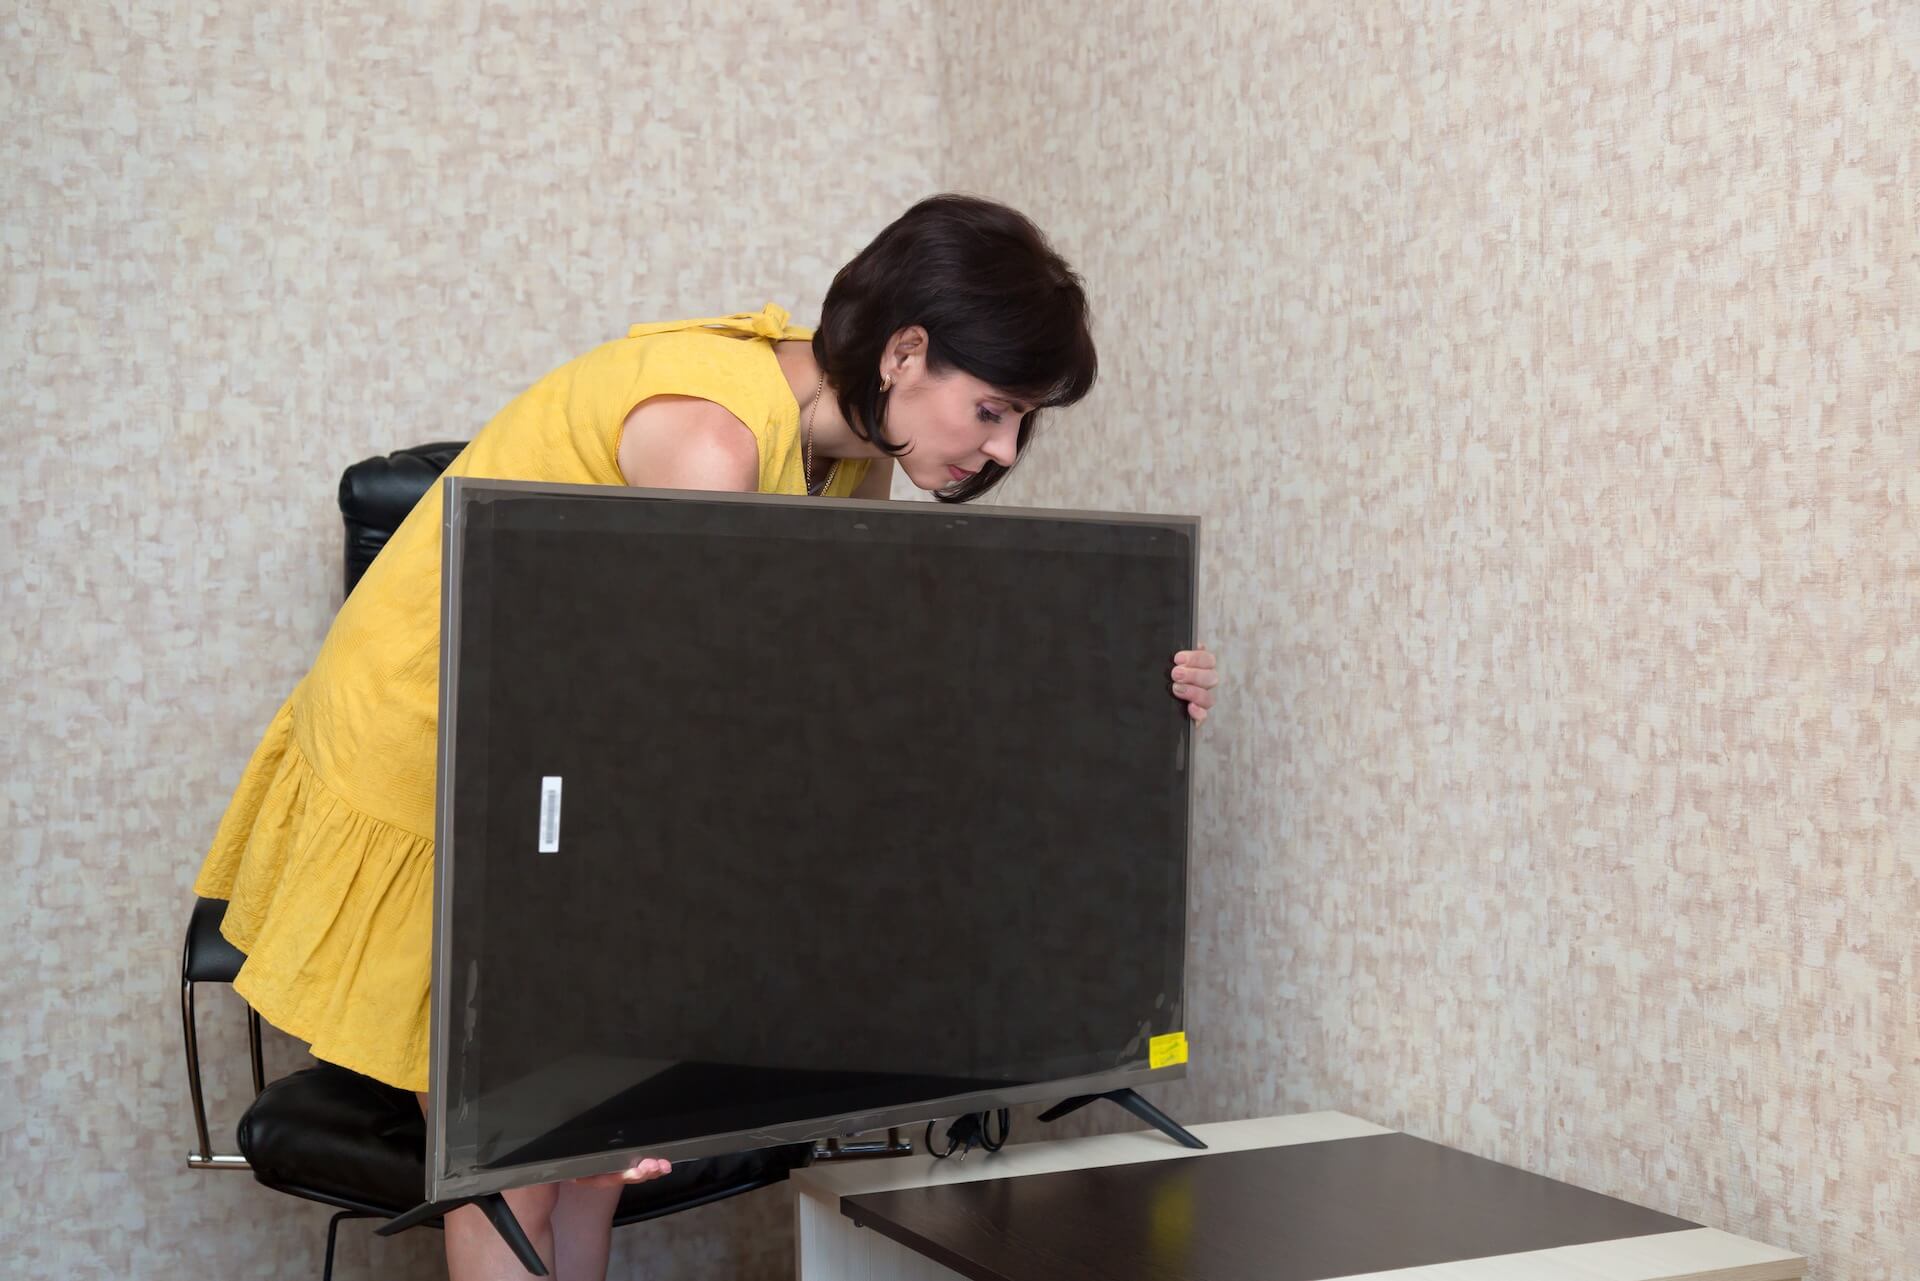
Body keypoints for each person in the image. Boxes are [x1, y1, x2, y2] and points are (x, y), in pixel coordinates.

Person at [194, 193, 1222, 1280]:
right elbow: (693, 743)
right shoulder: (712, 443)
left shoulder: (848, 446)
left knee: (589, 1152)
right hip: (442, 764)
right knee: (512, 1168)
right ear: (907, 351)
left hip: (567, 770)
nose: (1004, 449)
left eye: (1023, 423)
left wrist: (1127, 686)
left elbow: (838, 690)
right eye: (995, 409)